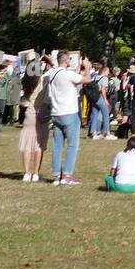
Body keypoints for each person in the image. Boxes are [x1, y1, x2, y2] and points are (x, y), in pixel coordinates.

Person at [46, 53, 92, 186]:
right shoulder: (67, 74)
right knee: (72, 145)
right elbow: (87, 79)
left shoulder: (53, 73)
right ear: (66, 61)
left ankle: (56, 174)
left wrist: (78, 68)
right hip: (69, 112)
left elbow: (70, 75)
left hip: (56, 112)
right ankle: (67, 174)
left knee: (57, 145)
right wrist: (87, 67)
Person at [18, 73, 50, 181]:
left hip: (28, 112)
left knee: (27, 145)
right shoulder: (42, 81)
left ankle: (26, 173)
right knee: (39, 146)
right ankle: (36, 173)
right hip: (40, 112)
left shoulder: (26, 81)